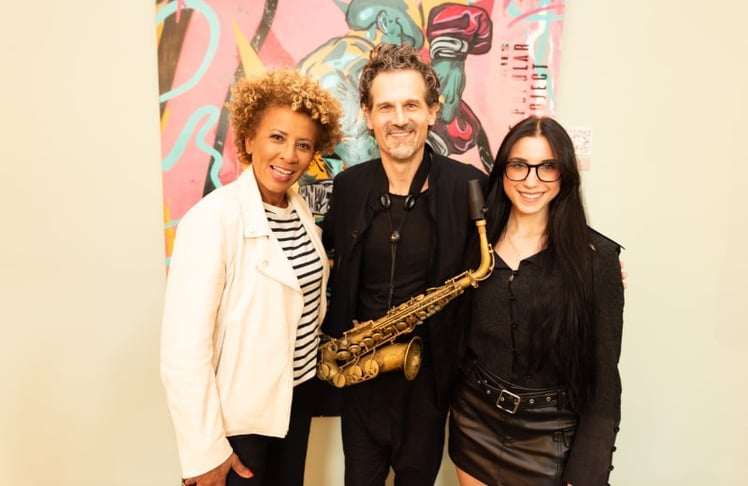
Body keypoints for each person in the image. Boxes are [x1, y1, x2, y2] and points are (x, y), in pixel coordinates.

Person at [160, 69, 342, 486]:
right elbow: (183, 351)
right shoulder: (212, 219)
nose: (289, 156)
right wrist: (205, 452)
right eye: (277, 137)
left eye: (303, 145)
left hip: (294, 402)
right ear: (247, 141)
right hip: (238, 423)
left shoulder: (299, 212)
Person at [320, 42, 487, 485]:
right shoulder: (349, 187)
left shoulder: (469, 187)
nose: (399, 119)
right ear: (368, 115)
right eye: (386, 106)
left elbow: (522, 235)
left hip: (427, 386)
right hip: (360, 375)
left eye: (411, 105)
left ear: (433, 111)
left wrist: (592, 261)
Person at [448, 116, 625, 486]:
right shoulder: (473, 244)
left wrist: (587, 474)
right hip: (475, 420)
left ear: (565, 175)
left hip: (552, 436)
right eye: (519, 165)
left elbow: (604, 381)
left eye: (547, 167)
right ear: (502, 171)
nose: (531, 181)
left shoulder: (598, 259)